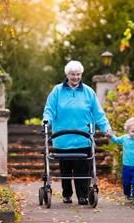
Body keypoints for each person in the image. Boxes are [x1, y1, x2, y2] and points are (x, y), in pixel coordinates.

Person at [43, 60, 111, 205]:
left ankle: (83, 195)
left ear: (81, 74)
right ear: (67, 75)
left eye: (78, 74)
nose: (75, 77)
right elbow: (49, 109)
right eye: (72, 74)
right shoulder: (57, 91)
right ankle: (66, 194)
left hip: (83, 137)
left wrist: (105, 127)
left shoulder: (88, 92)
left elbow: (98, 113)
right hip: (62, 138)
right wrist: (46, 121)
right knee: (65, 168)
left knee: (83, 169)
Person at [106, 117, 134, 205]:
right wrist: (111, 136)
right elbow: (117, 141)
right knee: (126, 182)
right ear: (128, 131)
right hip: (126, 166)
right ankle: (127, 195)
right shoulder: (124, 138)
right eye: (133, 131)